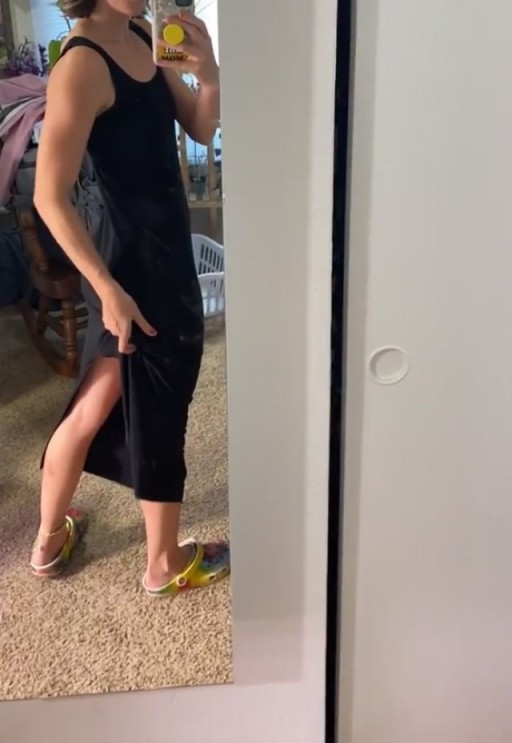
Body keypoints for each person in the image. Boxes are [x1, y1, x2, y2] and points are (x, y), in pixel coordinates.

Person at [30, 0, 230, 596]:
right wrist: (107, 289)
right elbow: (49, 197)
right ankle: (163, 563)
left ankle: (47, 541)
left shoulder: (143, 33)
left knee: (97, 400)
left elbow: (200, 128)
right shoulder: (80, 65)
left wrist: (209, 75)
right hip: (128, 270)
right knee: (159, 404)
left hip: (159, 253)